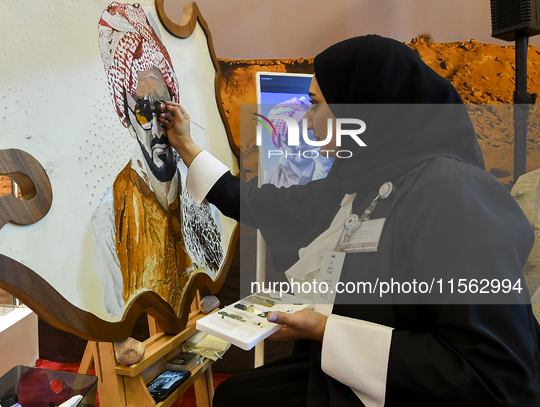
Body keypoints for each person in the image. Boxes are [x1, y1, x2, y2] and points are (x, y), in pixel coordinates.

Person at [160, 35, 540, 406]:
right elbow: (273, 205)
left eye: (317, 105)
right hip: (364, 372)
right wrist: (188, 148)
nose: (308, 124)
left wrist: (327, 329)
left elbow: (495, 376)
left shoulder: (450, 193)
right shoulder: (367, 177)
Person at [92, 2, 224, 318]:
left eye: (161, 109)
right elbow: (110, 316)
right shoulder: (109, 215)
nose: (155, 127)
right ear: (126, 115)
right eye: (142, 111)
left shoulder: (205, 196)